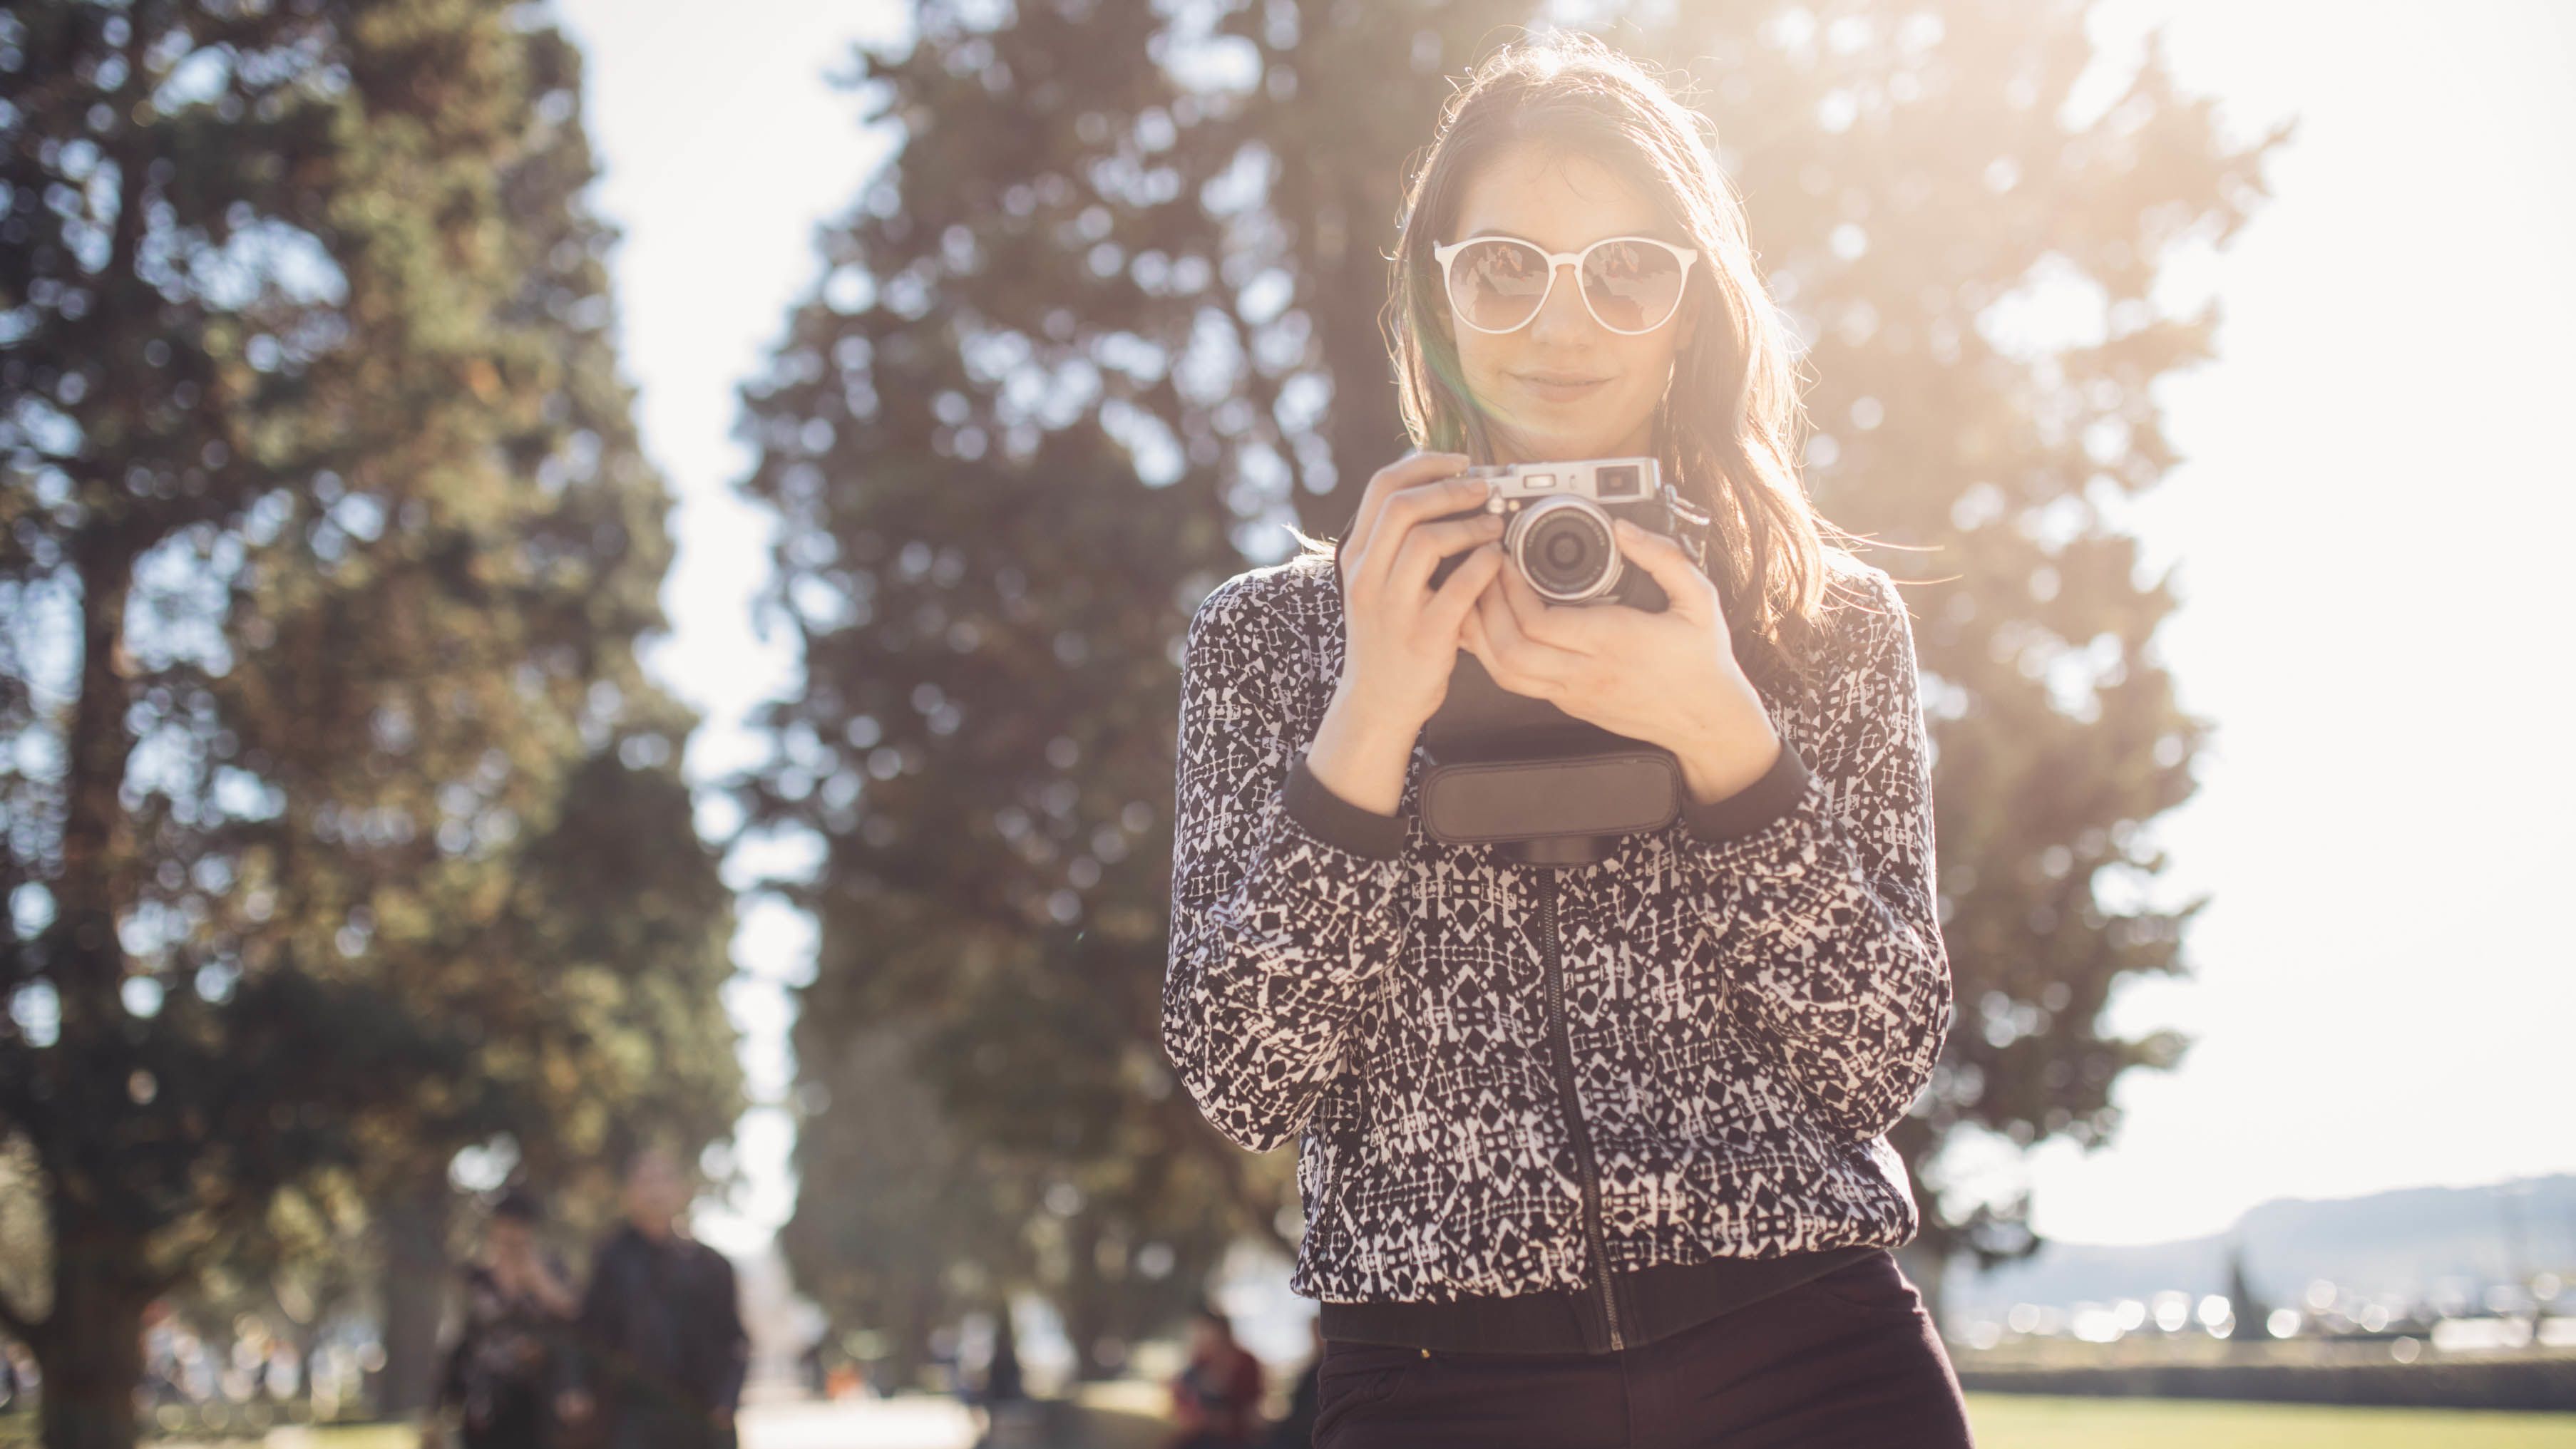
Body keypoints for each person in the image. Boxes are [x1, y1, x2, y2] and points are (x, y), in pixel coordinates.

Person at [1159, 31, 1974, 1449]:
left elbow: (1880, 1055)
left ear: (1689, 303)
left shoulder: (1820, 620)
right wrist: (1370, 711)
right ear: (1437, 292)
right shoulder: (1275, 636)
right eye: (1506, 267)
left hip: (1808, 1354)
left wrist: (1730, 744)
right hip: (1437, 1378)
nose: (1563, 323)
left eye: (1625, 269)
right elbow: (1244, 1067)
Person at [558, 1145, 749, 1449]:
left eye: (663, 1179)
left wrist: (726, 1401)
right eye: (645, 1181)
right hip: (632, 1415)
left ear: (682, 1190)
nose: (655, 1191)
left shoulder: (711, 1265)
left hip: (700, 1413)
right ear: (628, 1193)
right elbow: (586, 1330)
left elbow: (735, 1341)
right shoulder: (611, 1259)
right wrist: (574, 1385)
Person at [424, 1188, 580, 1449]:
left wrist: (540, 1284)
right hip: (484, 1405)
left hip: (541, 1405)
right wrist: (436, 1410)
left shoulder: (553, 1273)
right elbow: (453, 1344)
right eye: (505, 1229)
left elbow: (576, 1327)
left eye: (520, 1230)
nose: (512, 1238)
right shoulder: (475, 1280)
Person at [1163, 1304, 1263, 1449]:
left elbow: (1252, 1410)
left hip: (1235, 1436)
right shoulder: (1202, 1360)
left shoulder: (1246, 1362)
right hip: (1201, 1432)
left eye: (1206, 1331)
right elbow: (1181, 1388)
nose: (1202, 1338)